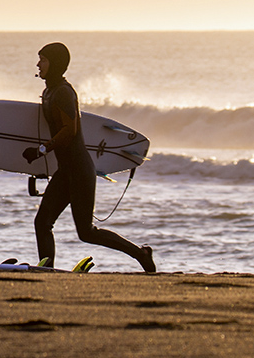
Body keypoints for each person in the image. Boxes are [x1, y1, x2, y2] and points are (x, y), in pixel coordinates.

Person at [23, 42, 156, 272]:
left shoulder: (63, 92)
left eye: (43, 59)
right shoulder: (49, 92)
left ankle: (140, 254)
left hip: (79, 170)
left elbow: (70, 130)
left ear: (55, 64)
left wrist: (42, 150)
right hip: (65, 170)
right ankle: (47, 268)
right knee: (42, 222)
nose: (38, 64)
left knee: (86, 232)